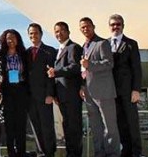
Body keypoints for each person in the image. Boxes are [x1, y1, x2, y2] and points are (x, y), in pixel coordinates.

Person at [79, 17, 119, 157]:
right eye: (83, 27)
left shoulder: (102, 43)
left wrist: (90, 65)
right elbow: (83, 71)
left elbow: (109, 63)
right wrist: (82, 86)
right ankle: (99, 153)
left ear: (93, 26)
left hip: (104, 91)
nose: (85, 29)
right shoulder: (83, 46)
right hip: (89, 93)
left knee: (110, 126)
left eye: (88, 26)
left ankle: (112, 153)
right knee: (96, 127)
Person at [108, 15, 142, 157]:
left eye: (118, 24)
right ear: (109, 27)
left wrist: (136, 89)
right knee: (119, 123)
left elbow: (136, 68)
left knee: (131, 122)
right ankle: (125, 152)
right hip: (112, 92)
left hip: (128, 91)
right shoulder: (105, 44)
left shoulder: (131, 44)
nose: (115, 27)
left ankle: (137, 152)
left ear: (123, 25)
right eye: (113, 25)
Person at [48, 22, 83, 157]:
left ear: (68, 32)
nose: (59, 33)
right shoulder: (59, 50)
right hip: (62, 96)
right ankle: (70, 153)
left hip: (72, 95)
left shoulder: (73, 47)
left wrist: (56, 71)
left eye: (62, 30)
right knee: (67, 126)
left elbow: (75, 67)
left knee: (74, 127)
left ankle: (75, 154)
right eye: (56, 31)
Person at [25, 23, 57, 157]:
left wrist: (50, 94)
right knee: (35, 127)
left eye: (36, 33)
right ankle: (41, 152)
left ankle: (50, 152)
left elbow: (52, 75)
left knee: (47, 126)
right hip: (30, 97)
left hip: (44, 96)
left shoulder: (50, 51)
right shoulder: (26, 53)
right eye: (31, 34)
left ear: (41, 34)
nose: (33, 36)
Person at [0, 30, 29, 157]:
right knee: (9, 123)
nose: (11, 41)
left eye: (13, 38)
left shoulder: (24, 54)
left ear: (18, 39)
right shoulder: (0, 55)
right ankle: (11, 152)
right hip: (7, 90)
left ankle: (21, 151)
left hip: (21, 89)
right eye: (8, 38)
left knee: (21, 122)